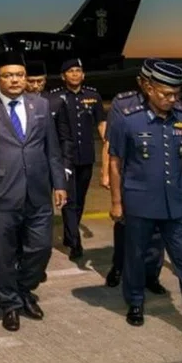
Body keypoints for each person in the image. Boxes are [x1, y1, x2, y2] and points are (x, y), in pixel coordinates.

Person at [108, 60, 182, 338]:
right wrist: (117, 202)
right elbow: (116, 163)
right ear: (149, 89)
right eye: (166, 94)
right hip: (140, 201)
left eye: (176, 94)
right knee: (136, 255)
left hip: (177, 204)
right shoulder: (128, 119)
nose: (172, 99)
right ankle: (135, 302)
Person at [0, 50, 68, 332]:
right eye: (8, 75)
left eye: (19, 75)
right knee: (2, 254)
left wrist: (59, 183)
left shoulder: (40, 105)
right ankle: (10, 303)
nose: (15, 80)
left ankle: (23, 288)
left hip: (38, 191)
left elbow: (52, 149)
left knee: (41, 248)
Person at [100, 59, 166, 292]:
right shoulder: (123, 102)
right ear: (141, 82)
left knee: (158, 230)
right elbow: (111, 141)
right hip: (131, 174)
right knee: (125, 225)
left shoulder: (170, 101)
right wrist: (106, 171)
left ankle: (151, 274)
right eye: (149, 81)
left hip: (159, 176)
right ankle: (119, 266)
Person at [50, 58, 105, 260]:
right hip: (65, 158)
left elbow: (101, 123)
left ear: (83, 75)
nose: (75, 74)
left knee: (80, 199)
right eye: (70, 71)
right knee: (70, 200)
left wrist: (108, 145)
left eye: (78, 70)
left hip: (86, 155)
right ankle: (75, 243)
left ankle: (69, 234)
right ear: (63, 76)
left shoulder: (93, 96)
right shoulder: (54, 97)